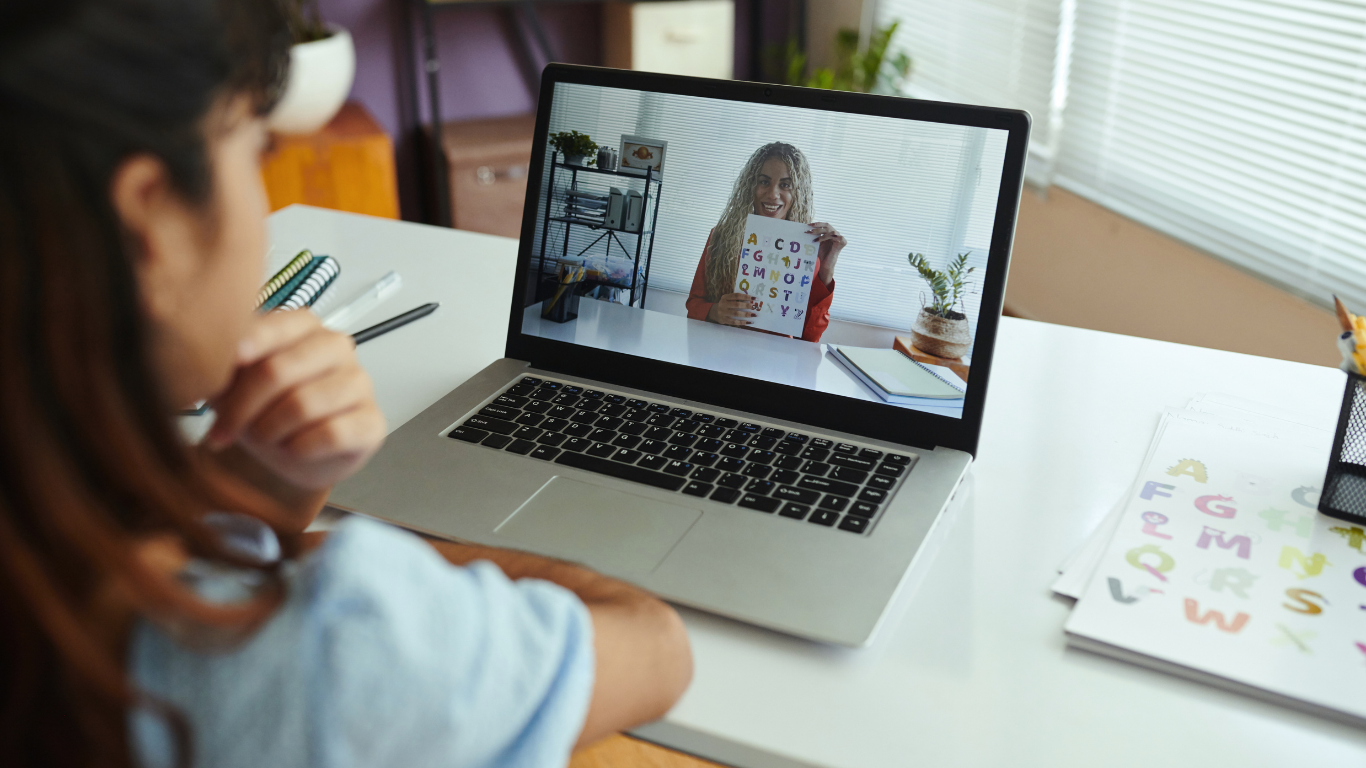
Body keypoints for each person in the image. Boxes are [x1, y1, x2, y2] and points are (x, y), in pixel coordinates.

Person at [0, 1, 692, 766]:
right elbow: (658, 646)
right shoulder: (334, 653)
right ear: (150, 223)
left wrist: (256, 489)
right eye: (256, 153)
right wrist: (357, 575)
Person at [684, 142, 848, 343]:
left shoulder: (806, 250)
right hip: (720, 351)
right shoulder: (721, 236)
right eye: (764, 182)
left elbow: (810, 336)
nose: (773, 194)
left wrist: (827, 269)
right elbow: (693, 306)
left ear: (798, 192)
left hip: (775, 361)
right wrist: (715, 311)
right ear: (750, 186)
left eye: (785, 185)